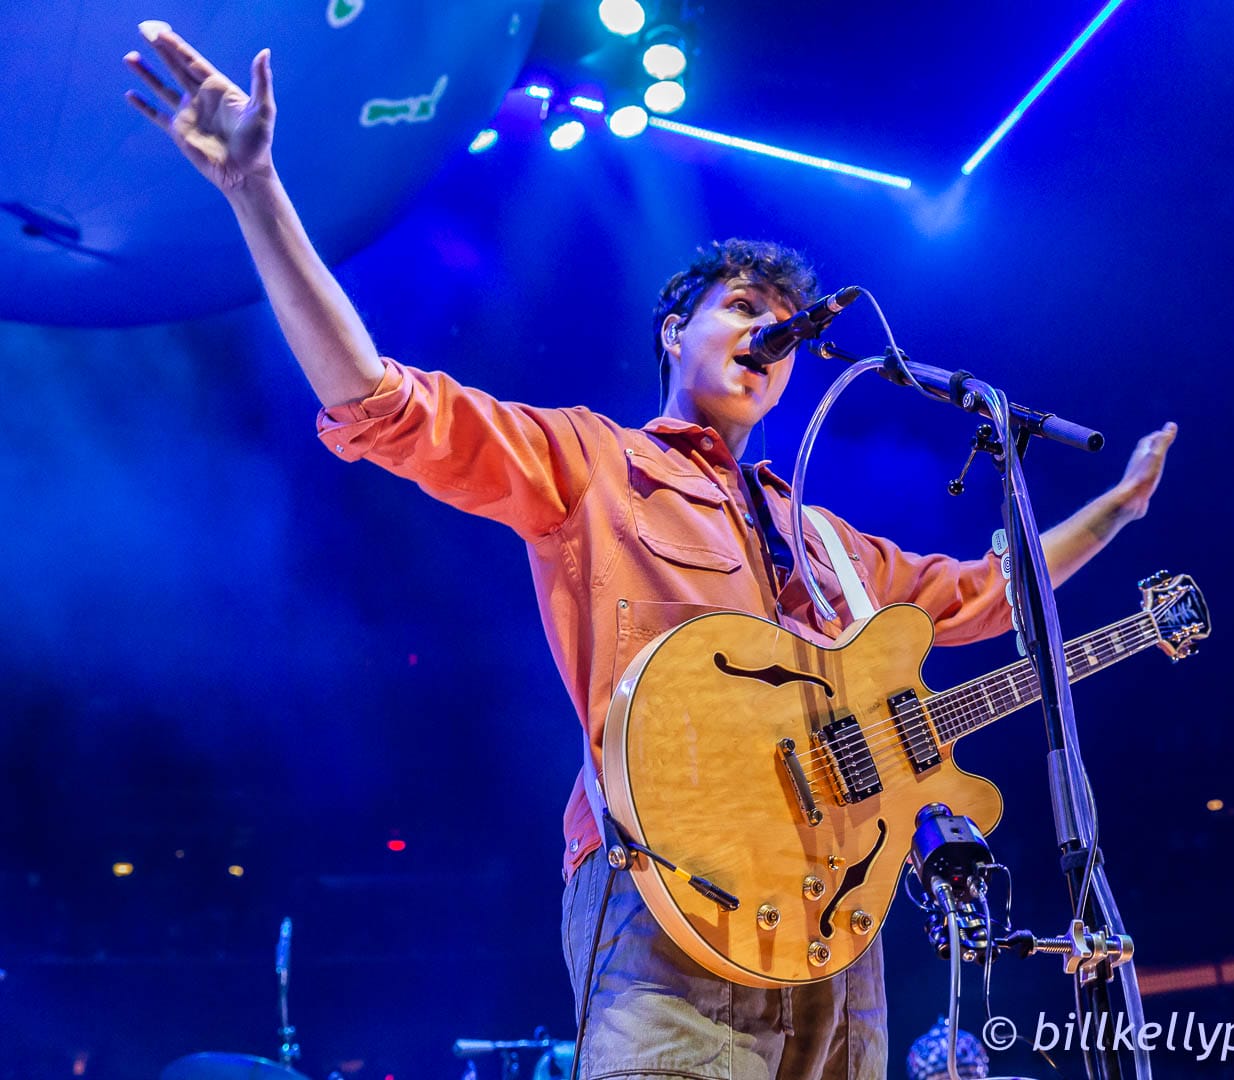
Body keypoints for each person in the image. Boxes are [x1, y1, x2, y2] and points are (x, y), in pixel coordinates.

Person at [123, 26, 1178, 1080]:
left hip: (836, 919)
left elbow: (995, 593)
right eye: (745, 309)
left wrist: (1116, 513)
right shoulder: (593, 463)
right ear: (676, 330)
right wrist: (257, 189)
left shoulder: (822, 538)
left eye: (786, 327)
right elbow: (382, 405)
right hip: (667, 886)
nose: (771, 336)